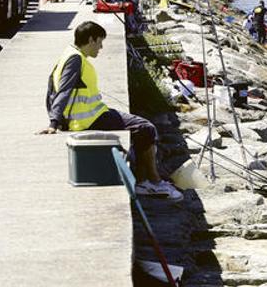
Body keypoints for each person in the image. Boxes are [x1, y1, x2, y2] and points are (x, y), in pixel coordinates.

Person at [39, 21, 182, 201]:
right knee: (146, 128)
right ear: (90, 40)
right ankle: (152, 182)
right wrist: (54, 122)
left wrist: (57, 119)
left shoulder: (69, 54)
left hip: (95, 114)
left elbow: (51, 87)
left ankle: (145, 180)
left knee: (142, 128)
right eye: (99, 42)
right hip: (87, 120)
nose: (101, 47)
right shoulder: (75, 60)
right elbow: (63, 90)